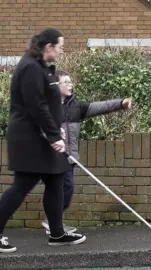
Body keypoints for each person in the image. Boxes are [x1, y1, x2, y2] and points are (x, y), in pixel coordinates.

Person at [0, 27, 86, 253]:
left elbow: (48, 104)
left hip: (42, 137)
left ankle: (57, 233)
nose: (60, 52)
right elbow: (36, 105)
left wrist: (56, 128)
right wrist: (54, 135)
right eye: (59, 47)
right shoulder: (30, 68)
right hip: (30, 139)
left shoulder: (41, 68)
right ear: (48, 46)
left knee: (56, 180)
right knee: (22, 185)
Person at [40, 69, 132, 235]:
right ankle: (54, 225)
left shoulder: (76, 106)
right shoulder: (46, 106)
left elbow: (99, 107)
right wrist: (52, 135)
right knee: (59, 188)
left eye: (70, 81)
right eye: (66, 82)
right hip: (50, 157)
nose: (70, 85)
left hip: (69, 158)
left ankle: (53, 223)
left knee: (66, 190)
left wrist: (120, 103)